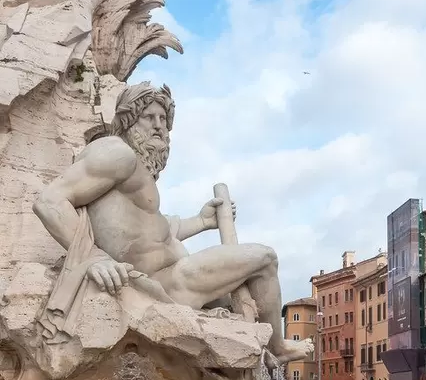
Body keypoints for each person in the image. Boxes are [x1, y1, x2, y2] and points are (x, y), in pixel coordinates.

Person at [32, 82, 312, 365]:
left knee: (239, 301)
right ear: (129, 121)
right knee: (265, 258)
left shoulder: (134, 171)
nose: (159, 126)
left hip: (175, 275)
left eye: (163, 119)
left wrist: (201, 222)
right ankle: (277, 347)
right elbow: (50, 201)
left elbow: (155, 232)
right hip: (168, 283)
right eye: (149, 117)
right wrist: (93, 259)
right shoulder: (116, 153)